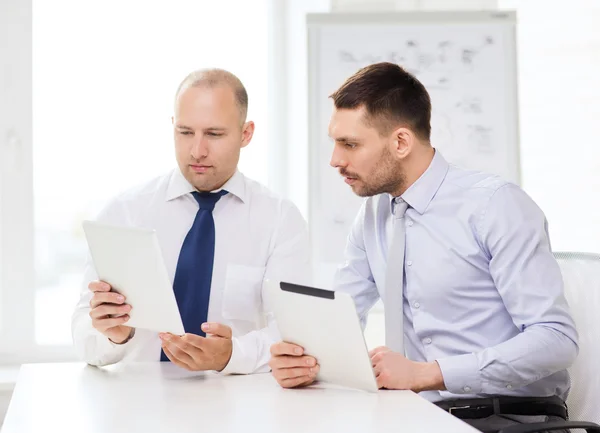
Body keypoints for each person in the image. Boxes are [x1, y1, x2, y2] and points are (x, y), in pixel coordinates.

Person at [269, 62, 578, 433]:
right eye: (335, 142)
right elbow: (340, 314)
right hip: (414, 416)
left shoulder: (495, 206)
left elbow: (557, 340)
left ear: (400, 142)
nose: (335, 160)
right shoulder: (373, 213)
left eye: (349, 144)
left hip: (508, 418)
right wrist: (304, 359)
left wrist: (429, 374)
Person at [72, 68, 310, 374]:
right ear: (173, 127)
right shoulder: (125, 213)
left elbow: (294, 333)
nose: (197, 151)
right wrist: (114, 336)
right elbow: (83, 330)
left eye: (214, 134)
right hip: (138, 409)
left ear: (246, 133)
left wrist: (232, 355)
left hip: (238, 409)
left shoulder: (279, 220)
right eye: (185, 133)